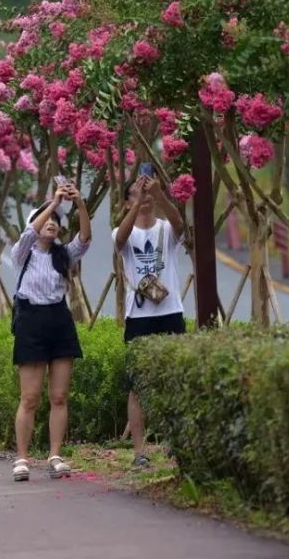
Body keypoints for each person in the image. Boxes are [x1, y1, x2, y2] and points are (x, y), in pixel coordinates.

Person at [9, 181, 91, 482]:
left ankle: (55, 454)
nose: (52, 224)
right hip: (31, 321)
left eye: (56, 221)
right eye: (47, 220)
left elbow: (85, 239)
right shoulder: (23, 253)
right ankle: (22, 457)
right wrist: (54, 203)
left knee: (59, 396)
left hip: (59, 320)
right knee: (29, 397)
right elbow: (30, 232)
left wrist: (79, 203)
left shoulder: (63, 255)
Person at [112, 172, 187, 468]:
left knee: (174, 379)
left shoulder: (166, 229)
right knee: (137, 385)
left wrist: (161, 196)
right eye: (136, 193)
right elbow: (120, 239)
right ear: (126, 201)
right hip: (139, 316)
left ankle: (175, 443)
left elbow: (180, 226)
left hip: (170, 313)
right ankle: (139, 451)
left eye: (147, 193)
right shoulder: (124, 232)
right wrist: (137, 204)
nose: (144, 198)